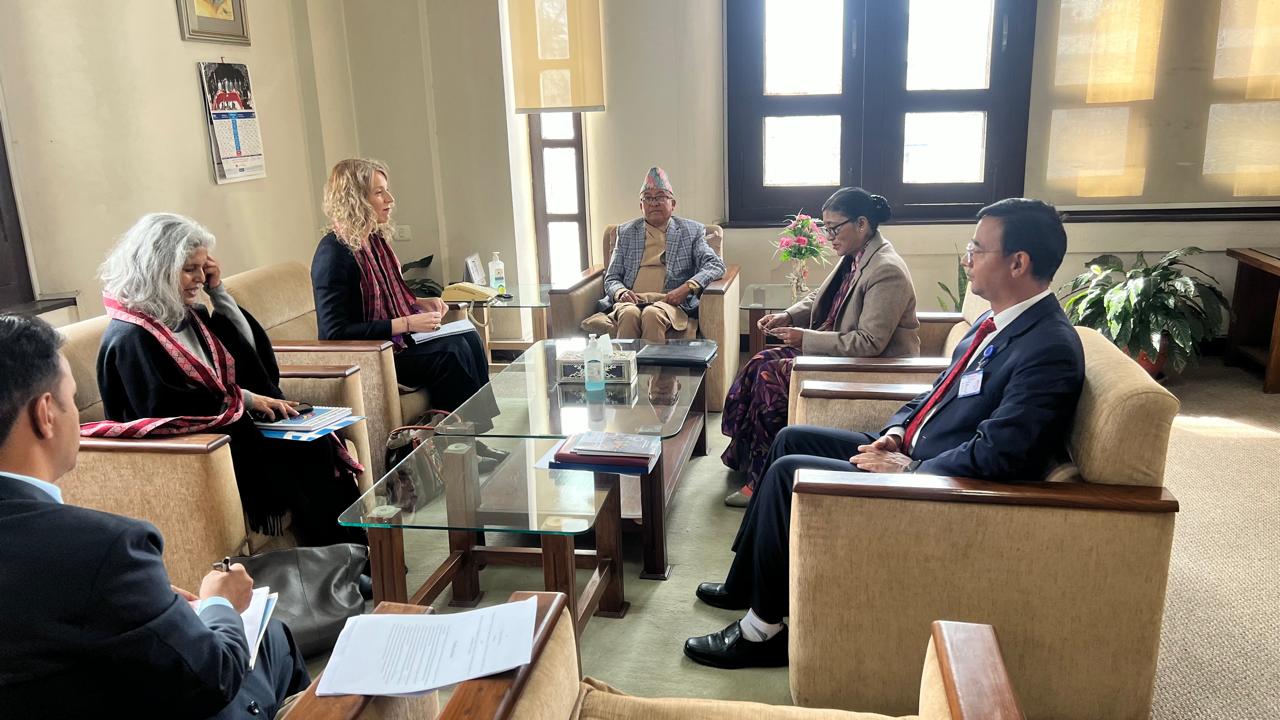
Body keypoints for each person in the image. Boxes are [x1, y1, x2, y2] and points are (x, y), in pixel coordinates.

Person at [685, 198, 1086, 670]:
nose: (967, 259)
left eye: (977, 249)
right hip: (910, 450)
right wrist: (895, 432)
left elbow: (1003, 453)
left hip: (935, 482)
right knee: (789, 438)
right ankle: (748, 583)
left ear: (1018, 263)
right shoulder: (993, 322)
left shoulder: (1048, 348)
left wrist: (911, 467)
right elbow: (936, 393)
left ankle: (761, 631)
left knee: (787, 472)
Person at [0, 314, 310, 718]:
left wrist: (145, 601)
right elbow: (213, 678)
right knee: (271, 637)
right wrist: (220, 603)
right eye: (73, 399)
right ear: (45, 414)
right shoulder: (106, 549)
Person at [88, 213, 365, 546]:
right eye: (189, 269)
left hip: (229, 424)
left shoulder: (185, 315)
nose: (199, 278)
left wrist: (218, 291)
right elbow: (164, 406)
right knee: (305, 457)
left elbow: (249, 354)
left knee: (317, 443)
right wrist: (246, 400)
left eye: (203, 268)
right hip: (195, 450)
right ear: (157, 269)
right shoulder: (131, 337)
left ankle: (360, 553)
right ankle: (343, 557)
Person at [720, 188, 920, 507]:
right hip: (837, 349)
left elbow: (869, 343)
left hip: (870, 366)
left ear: (862, 224)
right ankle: (747, 458)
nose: (828, 237)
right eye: (825, 228)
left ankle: (762, 480)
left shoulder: (886, 270)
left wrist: (804, 338)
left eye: (833, 228)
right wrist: (788, 315)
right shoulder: (856, 255)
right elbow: (821, 296)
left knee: (771, 378)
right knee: (758, 362)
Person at [312, 158, 490, 415]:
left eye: (386, 190)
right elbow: (334, 333)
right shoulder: (334, 254)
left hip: (393, 344)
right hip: (370, 355)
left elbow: (386, 297)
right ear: (355, 200)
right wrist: (406, 323)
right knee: (451, 352)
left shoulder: (373, 240)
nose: (390, 199)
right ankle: (456, 434)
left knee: (469, 338)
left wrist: (417, 303)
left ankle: (479, 431)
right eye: (379, 193)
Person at [581, 167, 726, 341]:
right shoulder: (625, 232)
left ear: (673, 204)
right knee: (628, 314)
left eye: (660, 197)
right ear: (641, 206)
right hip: (631, 301)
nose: (654, 203)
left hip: (668, 303)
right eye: (648, 198)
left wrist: (686, 288)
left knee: (651, 314)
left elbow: (715, 265)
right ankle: (625, 360)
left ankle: (651, 361)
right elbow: (612, 277)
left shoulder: (691, 231)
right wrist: (620, 292)